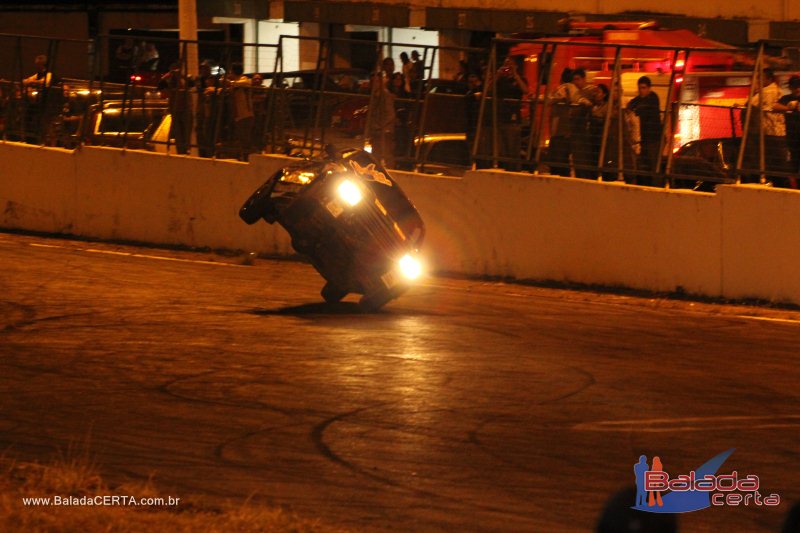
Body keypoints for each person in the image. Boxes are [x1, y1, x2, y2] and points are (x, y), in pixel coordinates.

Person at [745, 68, 792, 184]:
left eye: (761, 78)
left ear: (769, 79)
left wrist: (755, 90)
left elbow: (749, 104)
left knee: (775, 165)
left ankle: (782, 186)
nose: (758, 80)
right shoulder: (774, 90)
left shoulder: (767, 92)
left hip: (772, 133)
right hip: (775, 133)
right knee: (775, 165)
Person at [490, 55, 528, 171]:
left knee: (513, 147)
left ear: (515, 66)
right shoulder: (500, 80)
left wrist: (515, 75)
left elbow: (526, 90)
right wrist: (497, 75)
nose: (507, 67)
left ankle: (514, 169)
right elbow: (488, 89)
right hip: (500, 117)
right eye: (505, 64)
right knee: (502, 148)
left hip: (513, 118)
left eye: (510, 64)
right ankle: (504, 168)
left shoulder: (520, 78)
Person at [626, 76, 661, 185]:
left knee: (653, 165)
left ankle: (655, 187)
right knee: (644, 165)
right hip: (644, 138)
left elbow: (641, 108)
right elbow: (631, 104)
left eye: (644, 88)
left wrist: (635, 109)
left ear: (649, 88)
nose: (642, 90)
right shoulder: (640, 99)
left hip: (653, 139)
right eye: (640, 88)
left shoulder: (653, 98)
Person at [569, 68, 600, 178]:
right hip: (578, 131)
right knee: (579, 161)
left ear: (584, 79)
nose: (576, 82)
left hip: (585, 132)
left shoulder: (590, 90)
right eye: (574, 80)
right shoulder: (577, 93)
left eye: (578, 79)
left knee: (585, 161)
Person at [547, 68, 578, 176]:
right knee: (562, 158)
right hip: (563, 129)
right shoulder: (572, 88)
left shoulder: (564, 88)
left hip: (561, 130)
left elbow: (550, 100)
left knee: (558, 158)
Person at [158, 62, 192, 154]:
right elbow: (160, 85)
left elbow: (192, 83)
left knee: (186, 132)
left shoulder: (185, 79)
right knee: (178, 133)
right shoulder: (169, 80)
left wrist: (181, 76)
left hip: (185, 108)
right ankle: (180, 151)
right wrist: (168, 75)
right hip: (175, 109)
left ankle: (186, 149)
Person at [368, 58, 397, 168]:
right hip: (378, 131)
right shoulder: (375, 96)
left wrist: (380, 126)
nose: (372, 84)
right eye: (371, 82)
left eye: (375, 82)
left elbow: (390, 114)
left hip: (384, 131)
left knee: (386, 155)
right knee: (376, 155)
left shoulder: (385, 95)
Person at [778, 74, 800, 187]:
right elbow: (775, 106)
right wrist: (789, 108)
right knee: (794, 161)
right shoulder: (786, 99)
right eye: (795, 87)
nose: (797, 89)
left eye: (799, 86)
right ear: (790, 87)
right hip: (792, 136)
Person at [230, 63, 254, 161]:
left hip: (246, 114)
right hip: (239, 115)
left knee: (245, 138)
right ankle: (243, 156)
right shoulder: (236, 82)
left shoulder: (244, 80)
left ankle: (247, 157)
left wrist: (230, 83)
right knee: (241, 137)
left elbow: (245, 83)